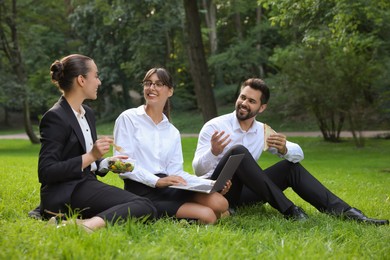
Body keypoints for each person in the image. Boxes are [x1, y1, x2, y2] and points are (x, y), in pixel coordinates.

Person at [192, 77, 389, 225]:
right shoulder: (214, 126)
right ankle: (290, 210)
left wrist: (285, 148)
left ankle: (347, 213)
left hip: (245, 195)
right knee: (238, 151)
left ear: (262, 108)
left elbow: (297, 155)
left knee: (289, 167)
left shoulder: (262, 131)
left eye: (251, 101)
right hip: (218, 193)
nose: (244, 103)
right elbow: (198, 171)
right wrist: (213, 151)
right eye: (242, 97)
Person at [36, 54, 157, 231]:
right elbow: (46, 172)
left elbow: (87, 161)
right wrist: (91, 155)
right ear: (81, 80)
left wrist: (107, 163)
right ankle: (88, 226)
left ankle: (80, 223)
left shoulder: (87, 114)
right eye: (96, 76)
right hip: (67, 191)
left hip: (86, 184)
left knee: (144, 206)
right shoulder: (55, 117)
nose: (99, 82)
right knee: (143, 205)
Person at [113, 68, 229, 224]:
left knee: (221, 203)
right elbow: (121, 166)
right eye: (148, 83)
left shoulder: (172, 131)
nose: (151, 88)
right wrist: (156, 181)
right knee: (208, 216)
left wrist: (210, 184)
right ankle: (164, 215)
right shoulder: (128, 118)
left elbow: (176, 171)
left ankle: (188, 211)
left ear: (170, 91)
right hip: (142, 191)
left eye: (158, 84)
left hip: (169, 186)